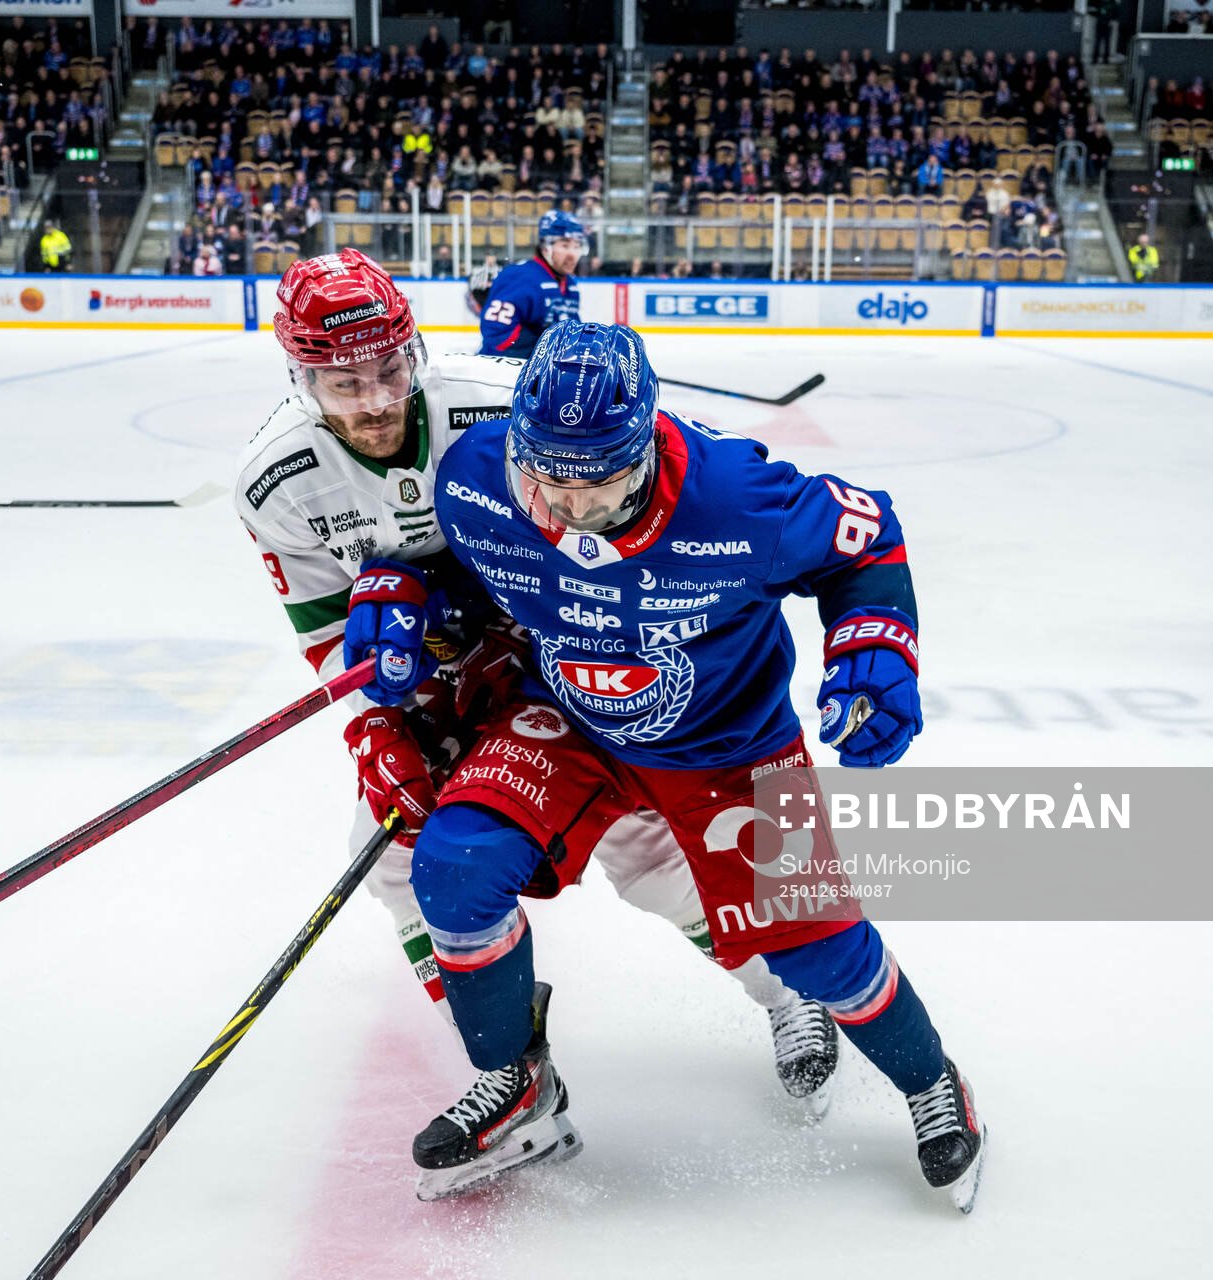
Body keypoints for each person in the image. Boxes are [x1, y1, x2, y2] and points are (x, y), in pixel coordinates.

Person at [395, 319, 984, 1207]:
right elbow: (475, 577)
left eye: (598, 486)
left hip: (729, 751)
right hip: (572, 721)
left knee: (821, 956)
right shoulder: (476, 476)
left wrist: (875, 644)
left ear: (647, 450)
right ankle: (517, 1085)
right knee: (451, 868)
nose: (567, 510)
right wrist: (404, 593)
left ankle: (934, 1083)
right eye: (546, 477)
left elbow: (867, 541)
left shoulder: (736, 497)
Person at [233, 250, 841, 1105]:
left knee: (650, 854)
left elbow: (642, 479)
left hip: (567, 651)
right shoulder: (275, 482)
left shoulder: (493, 395)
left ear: (415, 350)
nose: (372, 401)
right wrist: (376, 728)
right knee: (392, 858)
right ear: (299, 381)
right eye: (342, 385)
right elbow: (329, 630)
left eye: (387, 371)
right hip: (436, 678)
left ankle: (791, 994)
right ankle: (513, 1072)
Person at [477, 209, 586, 358]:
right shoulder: (520, 276)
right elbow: (497, 335)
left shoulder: (570, 285)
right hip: (501, 374)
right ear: (545, 247)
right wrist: (539, 355)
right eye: (565, 245)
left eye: (577, 246)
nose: (573, 254)